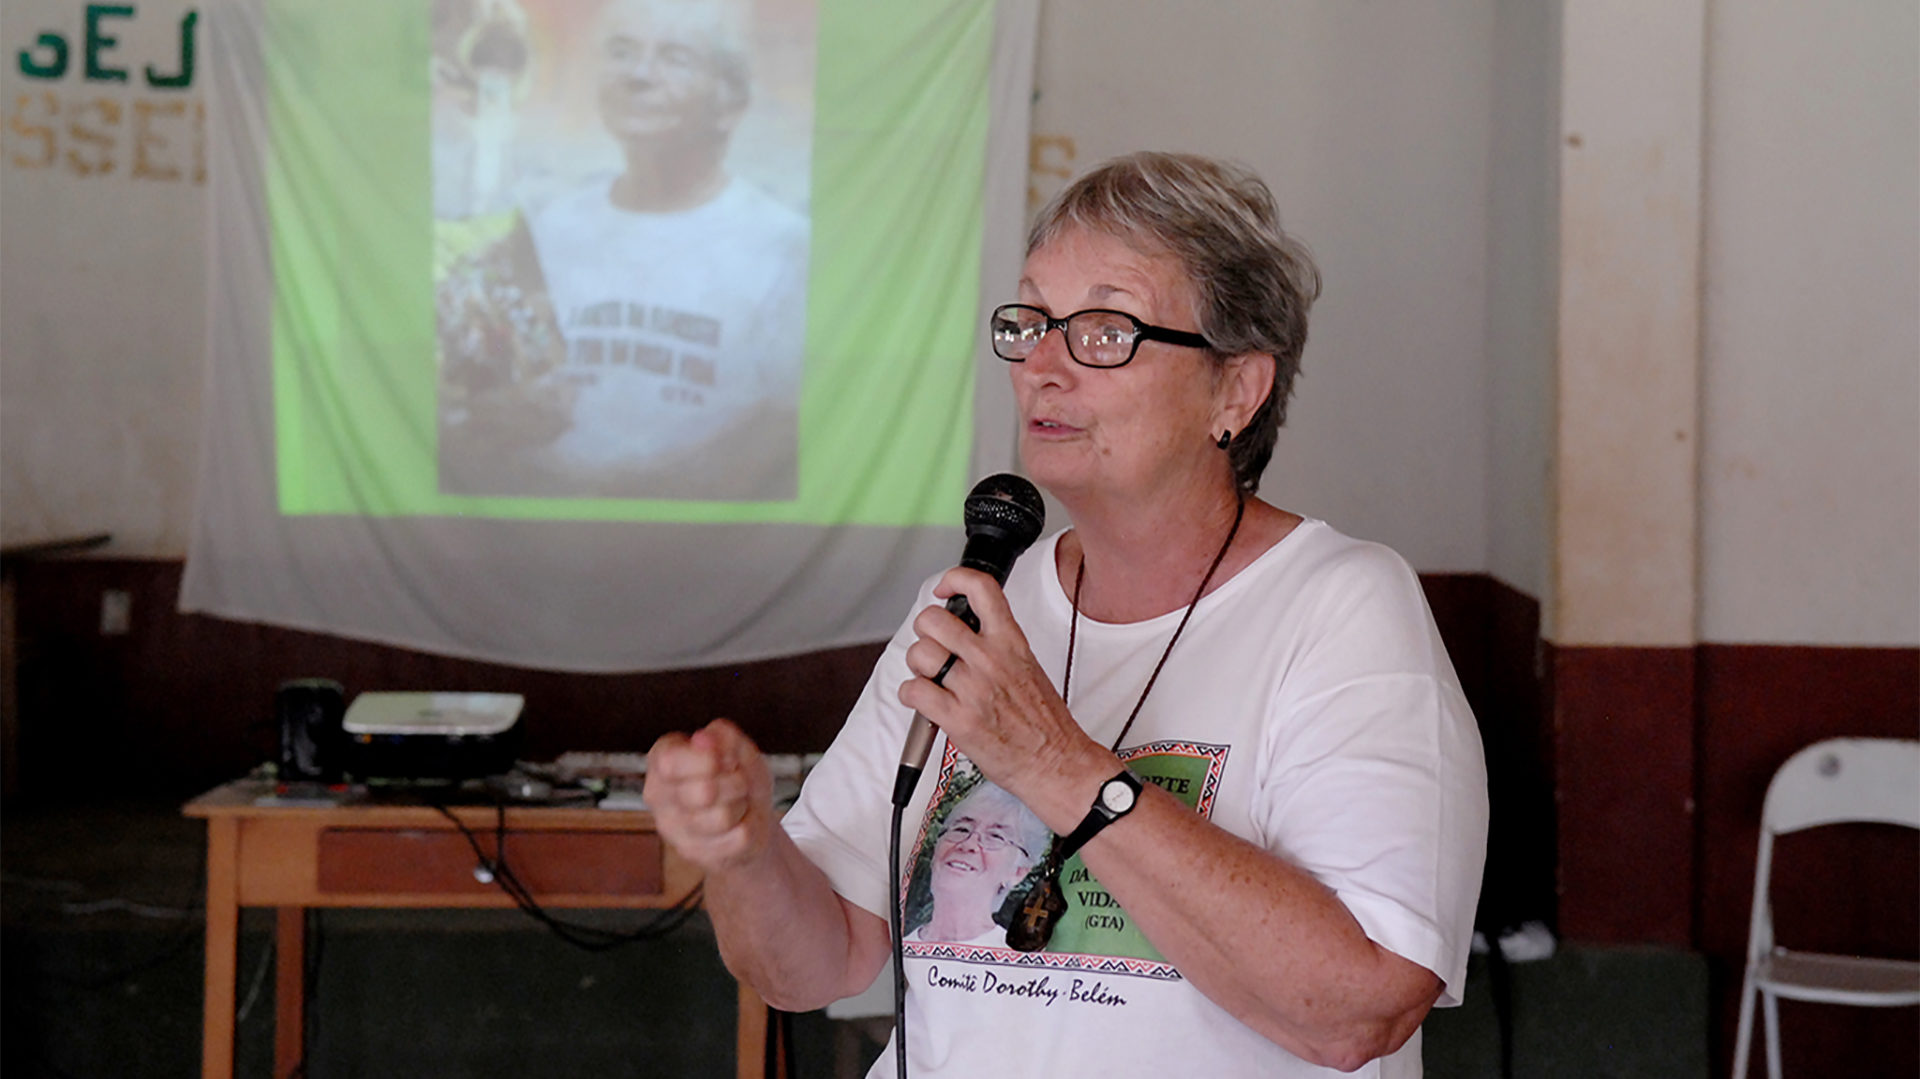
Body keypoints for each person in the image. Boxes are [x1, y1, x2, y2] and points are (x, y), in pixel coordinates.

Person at [644, 151, 1488, 1076]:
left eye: (1104, 330)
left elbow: (1359, 1011)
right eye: (1030, 320)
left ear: (1235, 390)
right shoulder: (979, 602)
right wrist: (748, 851)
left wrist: (1053, 764)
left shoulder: (1341, 606)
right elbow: (814, 965)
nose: (1042, 366)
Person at [440, 0, 809, 500]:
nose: (638, 74)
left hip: (704, 545)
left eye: (675, 57)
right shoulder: (549, 229)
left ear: (730, 106)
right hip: (545, 537)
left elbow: (780, 434)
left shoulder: (784, 245)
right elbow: (487, 391)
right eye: (621, 51)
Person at [903, 778, 1050, 947]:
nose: (968, 844)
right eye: (961, 829)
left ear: (1018, 872)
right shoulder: (894, 949)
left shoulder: (1015, 965)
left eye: (995, 836)